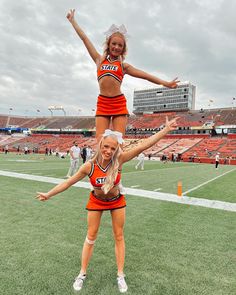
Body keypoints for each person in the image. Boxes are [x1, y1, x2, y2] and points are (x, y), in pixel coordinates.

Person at [36, 116, 178, 293]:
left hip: (117, 201)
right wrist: (49, 194)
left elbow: (144, 145)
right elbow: (68, 182)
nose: (109, 151)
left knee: (119, 236)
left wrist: (165, 130)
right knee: (91, 237)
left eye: (112, 148)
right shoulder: (89, 166)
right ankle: (82, 273)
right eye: (106, 147)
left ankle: (120, 275)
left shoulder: (119, 160)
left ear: (116, 148)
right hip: (96, 201)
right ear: (100, 146)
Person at [66, 9, 180, 141]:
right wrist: (73, 21)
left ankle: (117, 162)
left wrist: (166, 83)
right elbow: (84, 38)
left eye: (120, 45)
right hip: (103, 103)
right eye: (114, 44)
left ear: (123, 48)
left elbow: (146, 76)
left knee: (118, 141)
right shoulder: (99, 60)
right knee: (100, 141)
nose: (116, 47)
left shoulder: (123, 66)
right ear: (108, 45)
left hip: (118, 103)